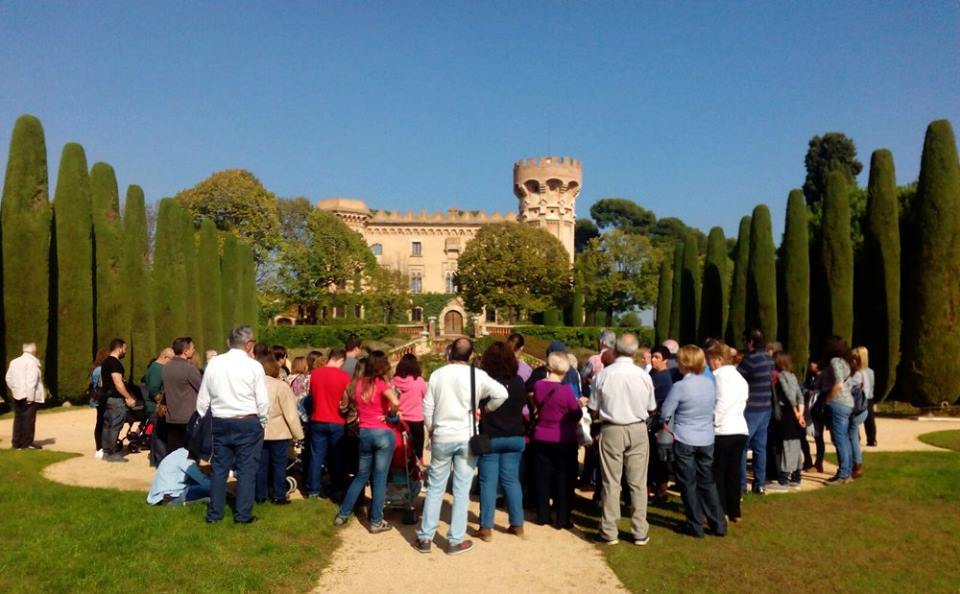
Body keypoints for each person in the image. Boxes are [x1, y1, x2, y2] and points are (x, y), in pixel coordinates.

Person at [414, 338, 508, 555]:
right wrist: (485, 410)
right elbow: (502, 394)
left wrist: (433, 428)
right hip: (466, 435)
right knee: (461, 489)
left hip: (443, 435)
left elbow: (427, 407)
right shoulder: (478, 375)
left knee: (436, 487)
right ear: (471, 355)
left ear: (449, 353)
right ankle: (455, 540)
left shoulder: (438, 374)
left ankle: (426, 537)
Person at [196, 326, 269, 524]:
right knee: (247, 470)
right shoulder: (254, 366)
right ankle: (243, 515)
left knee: (219, 468)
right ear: (248, 344)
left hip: (221, 420)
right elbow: (262, 400)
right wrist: (262, 421)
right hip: (248, 420)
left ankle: (214, 514)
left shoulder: (214, 364)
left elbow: (203, 399)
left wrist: (207, 417)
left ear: (229, 342)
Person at [590, 333, 657, 545]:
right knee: (638, 482)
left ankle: (609, 530)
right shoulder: (643, 375)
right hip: (637, 428)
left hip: (612, 428)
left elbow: (593, 407)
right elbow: (651, 407)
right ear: (635, 351)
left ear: (615, 350)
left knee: (611, 482)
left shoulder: (604, 375)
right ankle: (639, 530)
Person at [661, 345, 725, 538]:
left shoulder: (680, 386)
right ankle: (718, 523)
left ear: (684, 363)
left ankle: (695, 523)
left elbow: (666, 412)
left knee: (688, 482)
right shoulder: (709, 384)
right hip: (706, 437)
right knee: (707, 480)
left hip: (685, 437)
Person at [335, 351, 401, 532]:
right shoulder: (381, 384)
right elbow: (396, 402)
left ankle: (343, 514)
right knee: (379, 479)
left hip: (364, 432)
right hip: (382, 433)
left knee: (361, 475)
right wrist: (390, 415)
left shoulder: (358, 384)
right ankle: (376, 521)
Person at [474, 341, 527, 541]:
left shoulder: (486, 382)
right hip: (514, 435)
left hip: (491, 435)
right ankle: (517, 523)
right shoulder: (518, 382)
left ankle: (486, 527)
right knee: (511, 480)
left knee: (488, 481)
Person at [530, 351, 583, 529]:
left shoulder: (538, 386)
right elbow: (576, 414)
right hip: (563, 437)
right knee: (563, 478)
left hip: (541, 435)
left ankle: (543, 515)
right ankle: (562, 517)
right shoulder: (566, 391)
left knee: (542, 477)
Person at [707, 343, 748, 523]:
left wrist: (714, 420)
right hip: (739, 428)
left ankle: (721, 509)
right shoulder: (740, 378)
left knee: (718, 473)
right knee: (733, 472)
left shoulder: (719, 377)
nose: (709, 363)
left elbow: (721, 403)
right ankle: (735, 511)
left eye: (710, 359)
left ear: (719, 360)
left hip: (723, 430)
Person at [256, 355, 304, 504]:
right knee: (279, 465)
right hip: (279, 432)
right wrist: (298, 434)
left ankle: (260, 495)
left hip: (259, 430)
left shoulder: (253, 385)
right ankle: (278, 495)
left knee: (261, 466)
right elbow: (290, 414)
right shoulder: (280, 386)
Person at [306, 348, 351, 499]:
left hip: (318, 418)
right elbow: (346, 400)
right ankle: (337, 488)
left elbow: (311, 396)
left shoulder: (315, 374)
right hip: (337, 420)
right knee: (337, 457)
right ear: (341, 360)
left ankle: (313, 489)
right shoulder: (345, 377)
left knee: (316, 456)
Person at [737, 329, 775, 494]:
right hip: (765, 407)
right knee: (760, 447)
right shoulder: (769, 358)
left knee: (742, 447)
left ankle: (742, 485)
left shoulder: (750, 360)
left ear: (751, 342)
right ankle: (759, 484)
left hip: (751, 408)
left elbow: (737, 379)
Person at [820, 336, 856, 486]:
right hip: (847, 403)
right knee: (844, 438)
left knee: (839, 439)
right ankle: (846, 472)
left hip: (838, 402)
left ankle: (843, 474)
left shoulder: (835, 361)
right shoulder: (845, 362)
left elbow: (839, 384)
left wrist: (827, 399)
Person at [768, 353, 805, 492]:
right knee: (795, 444)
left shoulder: (782, 376)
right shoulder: (793, 376)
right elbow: (799, 395)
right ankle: (796, 476)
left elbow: (789, 395)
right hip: (795, 414)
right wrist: (801, 414)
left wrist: (795, 412)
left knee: (787, 445)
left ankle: (783, 480)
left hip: (787, 413)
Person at [100, 339, 138, 463]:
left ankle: (106, 451)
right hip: (116, 399)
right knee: (115, 426)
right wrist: (128, 397)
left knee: (107, 425)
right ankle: (112, 453)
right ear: (119, 348)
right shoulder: (115, 363)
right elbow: (118, 383)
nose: (125, 352)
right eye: (125, 349)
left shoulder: (105, 362)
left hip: (107, 398)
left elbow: (102, 382)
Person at [163, 338, 202, 453]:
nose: (194, 350)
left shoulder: (166, 367)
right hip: (188, 417)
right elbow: (202, 389)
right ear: (185, 351)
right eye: (192, 348)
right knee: (189, 452)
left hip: (172, 416)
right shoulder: (189, 369)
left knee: (174, 451)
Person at [5, 342, 46, 450]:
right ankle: (27, 443)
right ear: (33, 351)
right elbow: (31, 381)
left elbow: (8, 378)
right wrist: (30, 397)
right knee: (29, 419)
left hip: (17, 394)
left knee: (18, 419)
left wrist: (14, 389)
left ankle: (16, 442)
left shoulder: (14, 362)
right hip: (29, 395)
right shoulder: (31, 362)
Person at [647, 345, 674, 501]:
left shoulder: (662, 376)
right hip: (657, 420)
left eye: (657, 357)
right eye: (652, 356)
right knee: (658, 458)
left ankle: (655, 490)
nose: (653, 359)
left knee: (655, 458)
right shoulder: (654, 373)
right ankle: (660, 490)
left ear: (665, 360)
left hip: (658, 421)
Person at [146, 447, 211, 505]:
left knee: (202, 488)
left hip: (160, 497)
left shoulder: (179, 454)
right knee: (209, 493)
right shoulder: (186, 458)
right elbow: (204, 482)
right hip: (170, 498)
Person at [392, 353, 427, 460]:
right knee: (417, 448)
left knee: (400, 447)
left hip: (399, 420)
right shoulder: (419, 381)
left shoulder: (394, 381)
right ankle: (417, 468)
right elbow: (426, 397)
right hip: (416, 419)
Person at [849, 346, 873, 478]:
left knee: (853, 438)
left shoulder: (858, 374)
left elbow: (845, 388)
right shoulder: (866, 372)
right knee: (853, 436)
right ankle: (855, 464)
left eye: (853, 359)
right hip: (863, 408)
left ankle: (857, 466)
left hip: (857, 410)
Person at [854, 346, 877, 448]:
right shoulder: (868, 371)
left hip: (865, 397)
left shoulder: (866, 372)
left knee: (867, 419)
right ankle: (863, 438)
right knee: (863, 418)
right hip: (865, 397)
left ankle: (870, 439)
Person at [801, 358, 821, 471]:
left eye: (811, 363)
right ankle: (808, 461)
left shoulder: (822, 376)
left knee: (818, 437)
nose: (809, 365)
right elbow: (804, 388)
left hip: (817, 410)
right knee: (802, 435)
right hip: (808, 409)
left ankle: (819, 463)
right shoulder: (809, 377)